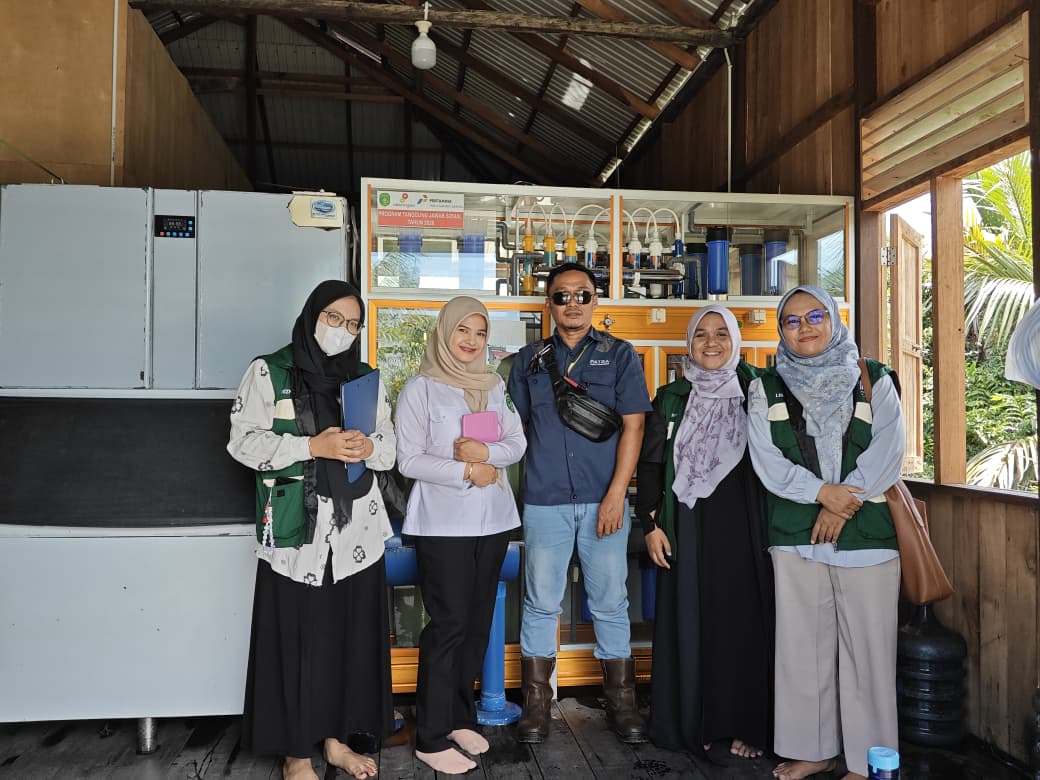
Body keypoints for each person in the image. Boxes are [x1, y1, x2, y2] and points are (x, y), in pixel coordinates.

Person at [228, 280, 395, 780]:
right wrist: (311, 447)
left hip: (355, 536)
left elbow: (389, 448)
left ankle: (336, 742)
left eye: (353, 324)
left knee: (345, 640)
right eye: (333, 318)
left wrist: (369, 448)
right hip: (296, 532)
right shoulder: (269, 371)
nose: (343, 330)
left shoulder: (363, 379)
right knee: (295, 641)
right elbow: (242, 442)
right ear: (311, 316)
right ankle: (296, 755)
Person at [747, 285, 904, 780]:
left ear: (834, 320)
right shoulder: (765, 387)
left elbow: (889, 451)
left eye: (815, 316)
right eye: (792, 320)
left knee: (869, 655)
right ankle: (812, 750)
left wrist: (841, 502)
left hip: (867, 539)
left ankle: (867, 759)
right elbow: (767, 461)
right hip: (796, 537)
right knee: (802, 651)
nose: (805, 327)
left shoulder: (874, 377)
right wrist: (822, 494)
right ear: (781, 331)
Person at [507, 262, 652, 744]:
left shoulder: (620, 355)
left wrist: (617, 495)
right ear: (549, 303)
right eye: (562, 295)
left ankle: (622, 703)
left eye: (582, 295)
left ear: (596, 301)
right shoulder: (528, 360)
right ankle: (536, 705)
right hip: (544, 499)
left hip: (603, 501)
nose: (573, 303)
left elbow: (634, 426)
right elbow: (514, 431)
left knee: (610, 601)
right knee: (540, 603)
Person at [395, 296, 527, 774]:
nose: (471, 341)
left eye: (480, 332)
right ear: (444, 333)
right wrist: (467, 470)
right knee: (448, 625)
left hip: (492, 522)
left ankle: (457, 717)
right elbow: (408, 460)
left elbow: (517, 441)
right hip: (443, 525)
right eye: (462, 331)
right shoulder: (420, 389)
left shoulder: (494, 385)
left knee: (476, 624)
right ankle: (430, 736)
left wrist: (486, 454)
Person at [636, 306, 773, 759]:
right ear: (688, 344)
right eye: (701, 335)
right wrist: (651, 526)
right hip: (687, 525)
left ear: (736, 341)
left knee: (742, 623)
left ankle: (744, 724)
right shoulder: (671, 396)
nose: (711, 343)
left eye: (721, 334)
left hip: (745, 525)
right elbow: (651, 465)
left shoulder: (758, 388)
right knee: (690, 620)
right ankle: (696, 724)